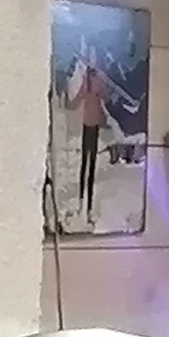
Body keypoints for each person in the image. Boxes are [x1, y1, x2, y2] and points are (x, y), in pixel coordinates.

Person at [66, 53, 109, 222]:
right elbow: (78, 98)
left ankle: (88, 205)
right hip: (88, 125)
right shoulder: (87, 81)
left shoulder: (98, 81)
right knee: (86, 164)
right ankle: (82, 202)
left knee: (90, 165)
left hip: (93, 125)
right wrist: (70, 103)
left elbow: (105, 96)